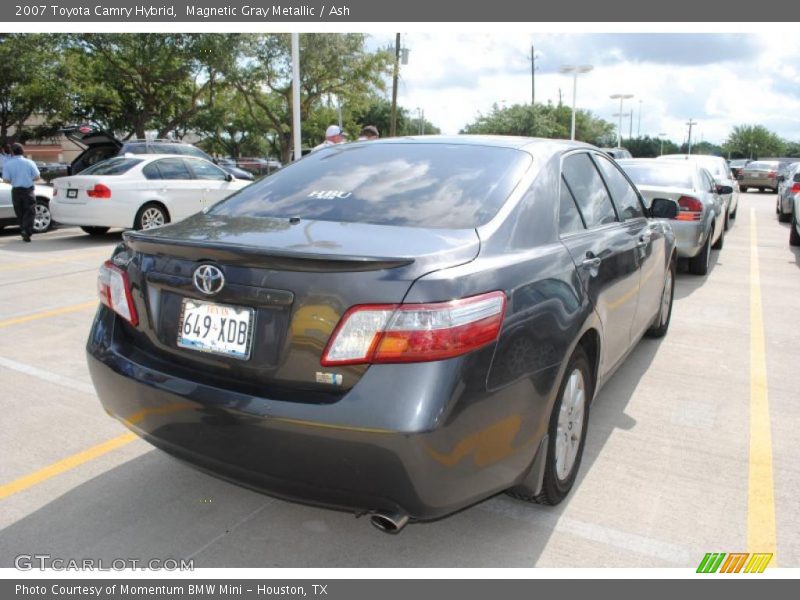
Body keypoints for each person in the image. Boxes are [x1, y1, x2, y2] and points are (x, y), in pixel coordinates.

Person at [1, 143, 40, 242]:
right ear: (22, 151)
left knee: (20, 212)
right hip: (28, 190)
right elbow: (37, 177)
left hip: (16, 190)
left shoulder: (8, 164)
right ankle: (26, 231)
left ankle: (23, 230)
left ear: (12, 152)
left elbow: (5, 180)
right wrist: (28, 179)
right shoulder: (29, 162)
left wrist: (14, 181)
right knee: (30, 211)